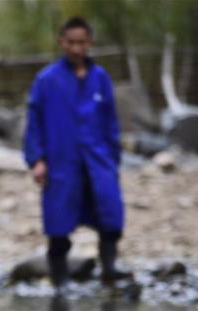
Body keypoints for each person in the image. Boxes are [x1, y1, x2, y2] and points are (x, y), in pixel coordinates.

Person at [23, 16, 132, 289]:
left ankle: (109, 271)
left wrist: (113, 156)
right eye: (70, 43)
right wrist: (37, 159)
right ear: (61, 42)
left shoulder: (100, 78)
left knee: (110, 214)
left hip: (98, 159)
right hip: (62, 160)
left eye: (81, 43)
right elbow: (34, 121)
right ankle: (59, 282)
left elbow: (110, 121)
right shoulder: (46, 80)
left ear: (90, 43)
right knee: (58, 222)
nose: (75, 48)